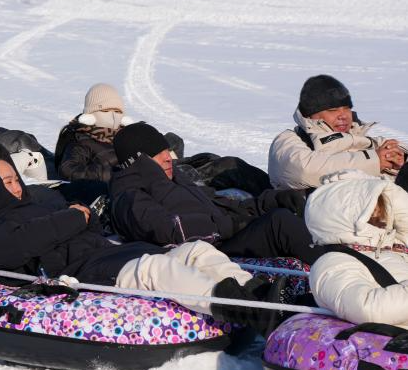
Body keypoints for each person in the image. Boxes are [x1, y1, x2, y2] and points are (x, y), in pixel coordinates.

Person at [0, 142, 286, 334]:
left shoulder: (40, 201)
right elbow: (18, 244)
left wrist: (85, 217)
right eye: (5, 183)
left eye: (14, 178)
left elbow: (86, 226)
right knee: (155, 269)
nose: (16, 187)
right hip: (80, 272)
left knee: (196, 250)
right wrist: (72, 218)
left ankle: (260, 295)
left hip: (108, 254)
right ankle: (247, 312)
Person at [108, 122, 319, 265]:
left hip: (223, 240)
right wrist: (230, 226)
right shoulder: (129, 196)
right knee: (278, 223)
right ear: (137, 162)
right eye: (157, 153)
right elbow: (169, 230)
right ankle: (333, 274)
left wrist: (273, 200)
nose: (168, 157)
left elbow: (226, 207)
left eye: (166, 150)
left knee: (295, 211)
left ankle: (332, 259)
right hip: (207, 255)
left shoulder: (177, 180)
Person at [303, 176, 408, 328]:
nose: (383, 218)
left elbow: (404, 218)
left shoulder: (391, 248)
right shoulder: (333, 263)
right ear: (348, 217)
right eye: (372, 212)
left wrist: (375, 183)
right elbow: (367, 309)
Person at [268, 74, 402, 190]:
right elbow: (304, 171)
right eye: (332, 110)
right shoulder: (288, 140)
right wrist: (374, 161)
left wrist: (397, 158)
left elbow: (396, 149)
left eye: (347, 108)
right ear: (310, 114)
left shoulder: (360, 137)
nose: (343, 115)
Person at [54, 84, 133, 199]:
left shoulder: (129, 138)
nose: (113, 116)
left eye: (117, 111)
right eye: (105, 110)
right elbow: (68, 170)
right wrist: (106, 174)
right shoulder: (81, 141)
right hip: (106, 197)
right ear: (90, 115)